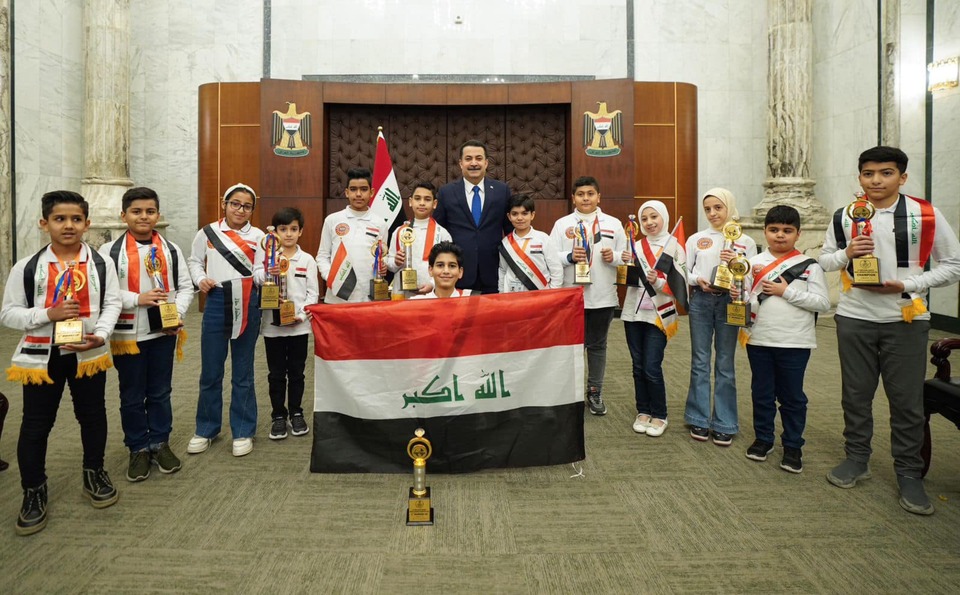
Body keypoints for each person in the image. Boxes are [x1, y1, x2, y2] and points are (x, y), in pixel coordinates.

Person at [819, 146, 960, 515]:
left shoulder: (924, 214)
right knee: (855, 394)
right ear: (860, 177)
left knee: (906, 401)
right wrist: (847, 253)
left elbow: (954, 264)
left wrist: (909, 284)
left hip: (906, 318)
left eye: (886, 173)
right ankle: (857, 458)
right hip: (854, 316)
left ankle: (909, 472)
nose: (876, 180)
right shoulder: (846, 215)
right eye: (868, 173)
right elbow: (825, 259)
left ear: (902, 177)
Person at [1, 190, 122, 536]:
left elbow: (112, 303)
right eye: (59, 219)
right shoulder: (27, 267)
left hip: (87, 352)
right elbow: (8, 313)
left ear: (87, 223)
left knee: (93, 416)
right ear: (44, 223)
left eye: (76, 219)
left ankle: (94, 472)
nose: (68, 225)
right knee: (36, 424)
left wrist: (102, 334)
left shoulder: (101, 264)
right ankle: (33, 489)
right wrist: (47, 315)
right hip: (43, 357)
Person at [99, 187, 195, 482]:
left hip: (163, 332)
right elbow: (104, 293)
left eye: (150, 211)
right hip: (128, 336)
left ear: (158, 215)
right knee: (131, 395)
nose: (143, 217)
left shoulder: (170, 249)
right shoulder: (109, 252)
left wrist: (177, 313)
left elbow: (185, 287)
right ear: (123, 215)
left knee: (160, 392)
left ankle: (160, 443)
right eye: (136, 211)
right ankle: (138, 447)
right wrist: (137, 299)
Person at [739, 205, 829, 473]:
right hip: (759, 339)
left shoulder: (810, 266)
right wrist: (737, 294)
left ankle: (792, 445)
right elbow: (747, 297)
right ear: (765, 231)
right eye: (774, 230)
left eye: (787, 230)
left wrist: (786, 292)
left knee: (792, 397)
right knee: (762, 393)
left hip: (795, 342)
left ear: (798, 234)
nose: (780, 235)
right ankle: (763, 438)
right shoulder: (752, 263)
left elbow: (822, 303)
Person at [187, 183, 265, 458]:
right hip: (217, 300)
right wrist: (200, 279)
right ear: (224, 203)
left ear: (252, 210)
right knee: (211, 369)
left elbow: (259, 270)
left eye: (247, 206)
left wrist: (267, 273)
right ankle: (206, 428)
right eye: (235, 204)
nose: (240, 210)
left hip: (247, 300)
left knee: (243, 371)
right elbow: (194, 261)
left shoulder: (259, 236)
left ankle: (243, 430)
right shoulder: (207, 232)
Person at [684, 188, 757, 445]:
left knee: (725, 362)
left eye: (718, 207)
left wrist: (737, 270)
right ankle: (698, 417)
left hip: (730, 302)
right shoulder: (696, 239)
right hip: (702, 301)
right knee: (700, 360)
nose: (713, 213)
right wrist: (697, 279)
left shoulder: (745, 241)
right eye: (708, 209)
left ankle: (725, 421)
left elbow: (750, 276)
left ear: (729, 206)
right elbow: (685, 270)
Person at [549, 176, 627, 416]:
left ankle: (595, 391)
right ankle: (568, 395)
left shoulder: (613, 224)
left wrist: (613, 257)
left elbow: (626, 256)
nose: (586, 198)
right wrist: (569, 256)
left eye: (590, 194)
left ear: (598, 197)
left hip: (603, 296)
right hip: (571, 297)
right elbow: (550, 258)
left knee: (597, 346)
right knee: (571, 348)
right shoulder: (562, 224)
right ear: (573, 198)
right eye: (581, 194)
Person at [621, 200, 687, 437]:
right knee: (637, 366)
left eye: (654, 217)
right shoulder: (635, 246)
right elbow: (625, 274)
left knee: (651, 366)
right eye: (644, 218)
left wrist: (658, 282)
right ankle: (643, 410)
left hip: (659, 314)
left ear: (664, 218)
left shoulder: (674, 246)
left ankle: (660, 414)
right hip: (633, 313)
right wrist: (623, 260)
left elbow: (680, 284)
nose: (649, 222)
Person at [256, 207, 319, 440]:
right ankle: (278, 415)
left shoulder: (307, 260)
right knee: (275, 374)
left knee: (297, 373)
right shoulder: (266, 257)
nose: (289, 234)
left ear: (301, 231)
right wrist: (267, 271)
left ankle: (296, 412)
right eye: (283, 229)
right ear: (275, 233)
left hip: (299, 327)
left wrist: (300, 315)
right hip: (272, 327)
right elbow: (256, 280)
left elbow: (313, 294)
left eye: (293, 229)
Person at [434, 139, 512, 294]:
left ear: (486, 162)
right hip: (458, 274)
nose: (474, 163)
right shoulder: (446, 192)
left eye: (479, 158)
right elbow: (437, 231)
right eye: (468, 159)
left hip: (493, 272)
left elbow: (510, 231)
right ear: (461, 163)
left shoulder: (501, 191)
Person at [316, 167, 388, 303]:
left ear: (372, 192)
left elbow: (384, 255)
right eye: (353, 189)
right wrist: (331, 277)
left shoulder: (380, 223)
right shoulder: (332, 220)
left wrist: (384, 265)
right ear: (347, 192)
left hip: (368, 295)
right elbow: (322, 256)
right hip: (337, 296)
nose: (358, 194)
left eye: (364, 189)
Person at [386, 181, 452, 297]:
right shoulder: (399, 231)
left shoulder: (442, 233)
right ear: (410, 202)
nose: (422, 203)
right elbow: (390, 264)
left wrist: (433, 284)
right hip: (402, 294)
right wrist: (396, 262)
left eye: (427, 199)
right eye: (417, 199)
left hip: (431, 293)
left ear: (434, 204)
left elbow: (447, 266)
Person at [498, 194, 563, 293]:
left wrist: (552, 293)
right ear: (509, 216)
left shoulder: (543, 239)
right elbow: (503, 270)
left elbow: (556, 269)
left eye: (524, 213)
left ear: (532, 215)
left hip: (539, 294)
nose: (520, 218)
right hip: (512, 296)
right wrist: (502, 293)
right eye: (515, 214)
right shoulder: (505, 243)